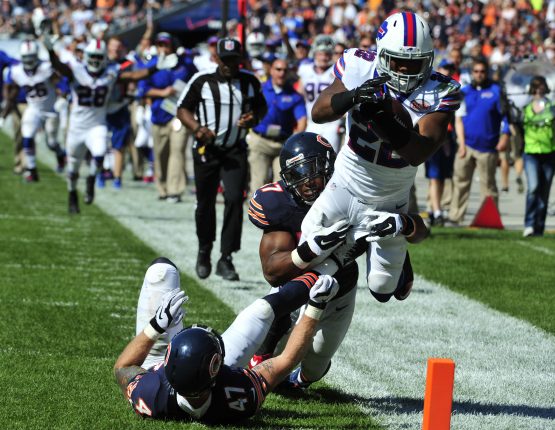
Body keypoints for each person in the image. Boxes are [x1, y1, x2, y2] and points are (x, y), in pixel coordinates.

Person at [289, 11, 454, 301]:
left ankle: (399, 263)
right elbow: (320, 111)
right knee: (307, 251)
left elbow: (419, 151)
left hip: (391, 195)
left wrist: (382, 119)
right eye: (398, 61)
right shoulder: (359, 66)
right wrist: (352, 97)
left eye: (414, 63)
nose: (405, 70)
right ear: (381, 55)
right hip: (347, 180)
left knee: (382, 288)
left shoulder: (439, 90)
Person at [114, 257, 339, 423]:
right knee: (261, 311)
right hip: (185, 376)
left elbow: (122, 367)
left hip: (151, 363)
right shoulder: (238, 392)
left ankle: (324, 269)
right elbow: (287, 360)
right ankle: (334, 264)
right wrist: (316, 305)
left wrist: (155, 327)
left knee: (160, 270)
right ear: (216, 370)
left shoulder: (152, 391)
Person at [247, 132, 359, 387]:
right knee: (267, 362)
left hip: (339, 285)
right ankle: (267, 344)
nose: (307, 181)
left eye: (313, 170)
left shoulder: (349, 194)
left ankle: (300, 380)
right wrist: (310, 250)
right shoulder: (279, 203)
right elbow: (273, 272)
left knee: (315, 366)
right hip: (297, 281)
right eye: (298, 174)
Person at [45, 36, 178, 214]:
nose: (95, 61)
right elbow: (59, 66)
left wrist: (155, 67)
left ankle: (92, 179)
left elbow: (134, 75)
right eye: (93, 57)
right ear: (86, 56)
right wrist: (49, 50)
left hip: (97, 125)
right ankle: (72, 194)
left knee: (100, 153)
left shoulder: (111, 72)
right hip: (77, 127)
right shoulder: (76, 70)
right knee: (73, 167)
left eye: (99, 57)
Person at [177, 38, 267, 282]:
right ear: (216, 58)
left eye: (233, 60)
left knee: (234, 198)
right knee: (205, 202)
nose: (229, 65)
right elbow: (182, 109)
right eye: (224, 60)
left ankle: (226, 257)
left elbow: (261, 107)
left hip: (234, 149)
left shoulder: (249, 81)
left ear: (240, 59)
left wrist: (252, 119)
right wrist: (197, 128)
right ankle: (204, 249)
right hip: (207, 149)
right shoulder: (202, 80)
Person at [448, 58, 510, 225]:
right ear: (472, 73)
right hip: (466, 145)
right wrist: (460, 144)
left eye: (482, 71)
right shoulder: (465, 92)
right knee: (460, 183)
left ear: (487, 72)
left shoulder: (496, 91)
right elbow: (458, 120)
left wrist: (505, 136)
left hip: (488, 146)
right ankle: (455, 217)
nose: (479, 74)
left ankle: (490, 219)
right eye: (476, 71)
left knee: (488, 187)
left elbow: (506, 117)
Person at [138, 32, 197, 202]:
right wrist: (162, 92)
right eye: (160, 44)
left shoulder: (185, 64)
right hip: (159, 113)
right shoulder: (153, 64)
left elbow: (197, 82)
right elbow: (143, 89)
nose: (163, 48)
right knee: (160, 153)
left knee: (177, 151)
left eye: (166, 44)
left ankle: (174, 190)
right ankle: (162, 187)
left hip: (179, 114)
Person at [1, 39, 65, 181]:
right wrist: (4, 114)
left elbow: (61, 82)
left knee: (51, 143)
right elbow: (12, 92)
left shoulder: (46, 68)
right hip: (34, 108)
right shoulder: (16, 71)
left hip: (51, 109)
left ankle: (61, 154)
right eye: (26, 57)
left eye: (31, 57)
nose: (29, 61)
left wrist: (63, 98)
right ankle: (31, 170)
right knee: (27, 136)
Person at [247, 58, 307, 194]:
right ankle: (255, 215)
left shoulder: (295, 96)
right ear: (271, 71)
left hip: (282, 145)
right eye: (278, 69)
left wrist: (294, 140)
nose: (281, 73)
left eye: (285, 70)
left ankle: (275, 215)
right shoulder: (259, 90)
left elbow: (302, 119)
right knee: (258, 185)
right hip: (260, 142)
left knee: (281, 187)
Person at [521, 76, 555, 237]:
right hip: (531, 152)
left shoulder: (552, 106)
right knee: (533, 187)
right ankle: (529, 223)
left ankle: (539, 227)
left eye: (541, 86)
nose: (539, 89)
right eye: (536, 86)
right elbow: (516, 125)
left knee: (544, 193)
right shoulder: (525, 106)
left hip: (549, 152)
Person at [298, 35, 343, 152]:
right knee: (309, 155)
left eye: (327, 54)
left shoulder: (336, 70)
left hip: (331, 123)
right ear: (314, 53)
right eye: (320, 54)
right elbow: (299, 94)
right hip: (311, 120)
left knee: (330, 158)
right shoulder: (305, 69)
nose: (323, 57)